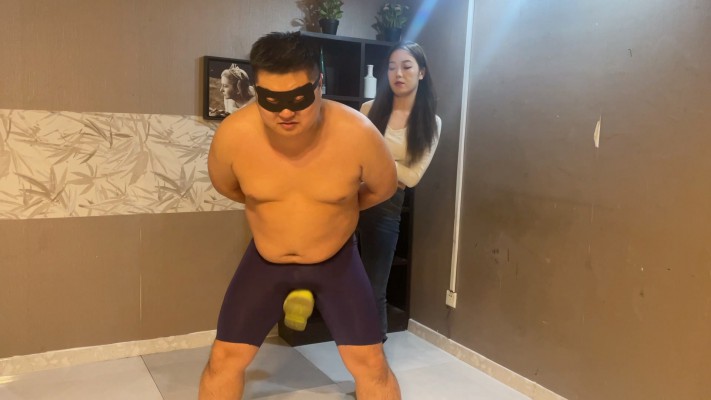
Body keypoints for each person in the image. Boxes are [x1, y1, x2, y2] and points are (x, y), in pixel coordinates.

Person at [199, 31, 402, 400]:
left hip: (336, 262)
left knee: (371, 364)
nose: (286, 112)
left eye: (298, 98)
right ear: (256, 90)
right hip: (266, 261)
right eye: (271, 100)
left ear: (319, 85)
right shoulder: (233, 135)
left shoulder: (357, 133)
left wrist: (335, 209)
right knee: (224, 358)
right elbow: (228, 187)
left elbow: (384, 187)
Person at [358, 41, 441, 342]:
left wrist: (376, 162)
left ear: (421, 72)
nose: (398, 74)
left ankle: (373, 353)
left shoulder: (430, 122)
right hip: (350, 198)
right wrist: (392, 167)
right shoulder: (369, 109)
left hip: (386, 208)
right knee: (340, 279)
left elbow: (412, 177)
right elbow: (353, 156)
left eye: (406, 67)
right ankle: (351, 343)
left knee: (374, 287)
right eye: (392, 67)